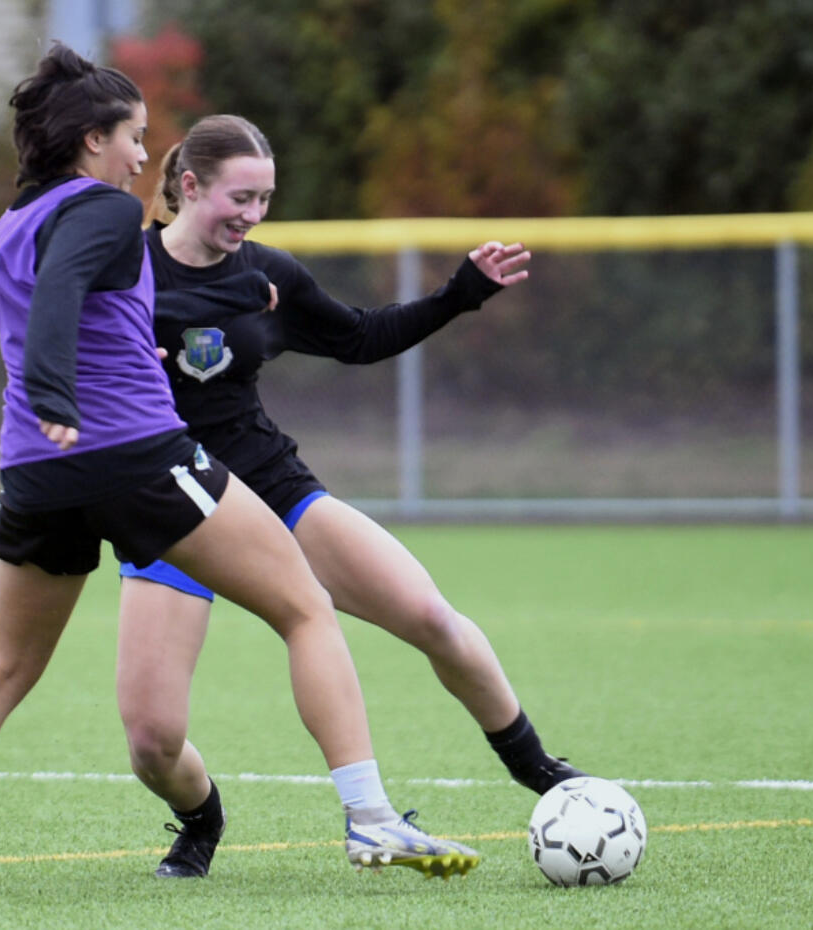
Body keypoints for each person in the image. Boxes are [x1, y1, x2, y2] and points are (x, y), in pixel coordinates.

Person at [0, 47, 478, 892]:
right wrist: (55, 389)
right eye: (136, 138)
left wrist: (80, 378)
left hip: (35, 473)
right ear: (92, 139)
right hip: (132, 456)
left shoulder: (11, 224)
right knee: (304, 608)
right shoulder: (106, 212)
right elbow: (68, 295)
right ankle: (370, 817)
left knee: (6, 663)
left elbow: (75, 304)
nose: (146, 157)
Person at [116, 114, 588, 879]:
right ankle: (202, 821)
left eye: (266, 199)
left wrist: (461, 293)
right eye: (241, 197)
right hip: (166, 506)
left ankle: (540, 770)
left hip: (269, 488)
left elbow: (362, 338)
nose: (253, 215)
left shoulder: (267, 275)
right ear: (190, 186)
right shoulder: (124, 270)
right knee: (151, 742)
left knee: (431, 615)